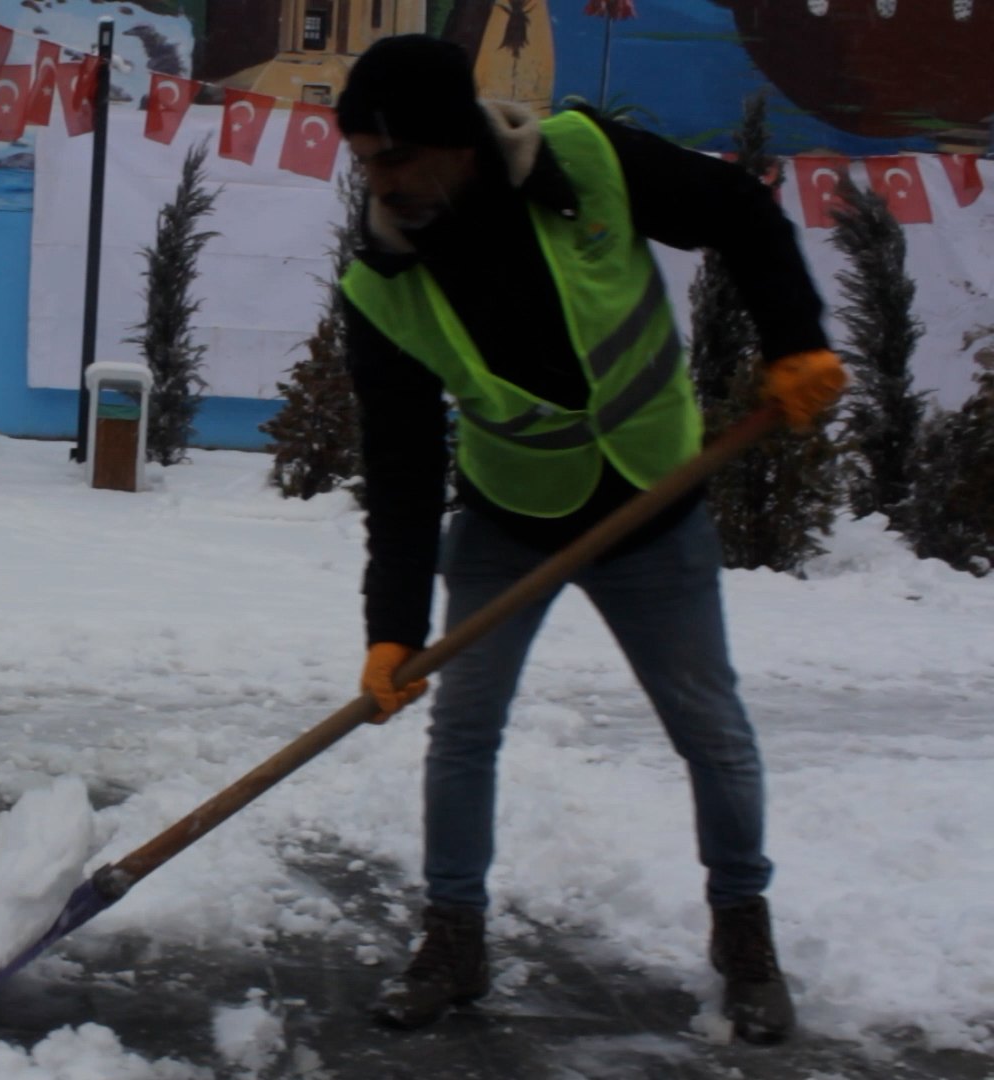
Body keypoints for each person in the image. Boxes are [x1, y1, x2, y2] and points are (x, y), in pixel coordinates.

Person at [334, 37, 847, 1042]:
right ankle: (454, 935)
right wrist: (392, 628)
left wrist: (795, 339)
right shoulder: (383, 284)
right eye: (365, 163)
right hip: (508, 518)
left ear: (457, 141)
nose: (379, 184)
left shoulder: (589, 162)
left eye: (396, 158)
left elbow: (740, 213)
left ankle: (744, 932)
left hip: (653, 505)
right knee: (463, 733)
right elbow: (400, 468)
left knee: (710, 728)